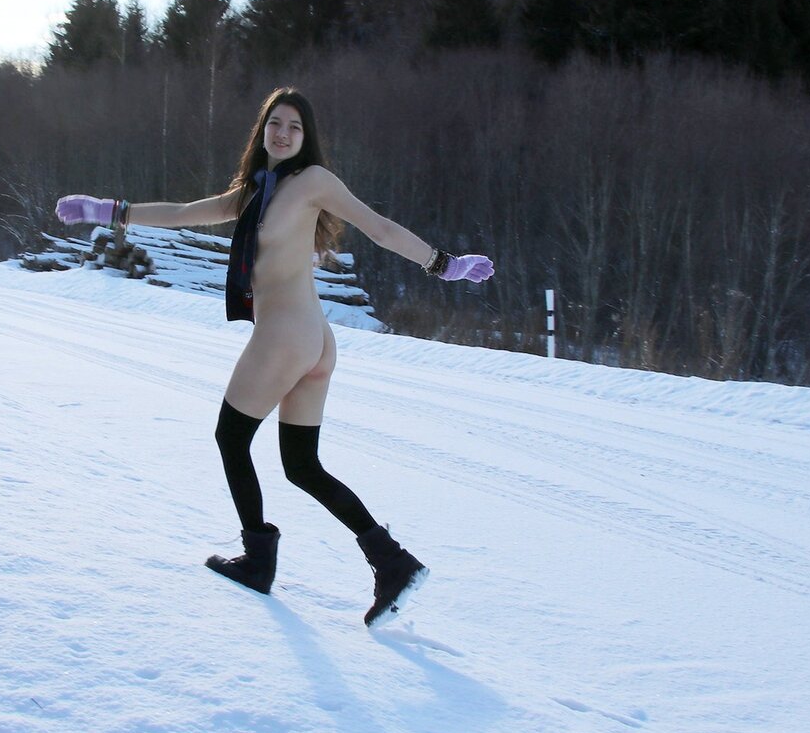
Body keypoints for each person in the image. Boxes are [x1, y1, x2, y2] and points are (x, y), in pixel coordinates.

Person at [55, 87, 494, 626]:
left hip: (287, 336)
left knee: (231, 437)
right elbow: (184, 213)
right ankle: (392, 561)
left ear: (307, 138)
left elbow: (378, 227)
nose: (283, 134)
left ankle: (258, 559)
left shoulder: (313, 182)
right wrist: (110, 210)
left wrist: (444, 264)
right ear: (262, 130)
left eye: (295, 127)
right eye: (275, 123)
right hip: (312, 340)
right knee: (302, 466)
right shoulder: (253, 192)